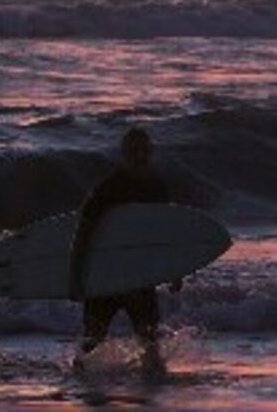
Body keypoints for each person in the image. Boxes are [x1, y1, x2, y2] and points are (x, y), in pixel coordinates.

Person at [69, 127, 178, 373]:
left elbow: (168, 231)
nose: (139, 156)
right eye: (133, 151)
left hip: (140, 277)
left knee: (150, 346)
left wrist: (176, 271)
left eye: (144, 151)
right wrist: (76, 279)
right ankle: (80, 387)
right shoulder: (108, 188)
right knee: (91, 342)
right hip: (104, 278)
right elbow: (83, 234)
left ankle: (153, 391)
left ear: (151, 153)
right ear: (124, 154)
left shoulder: (157, 188)